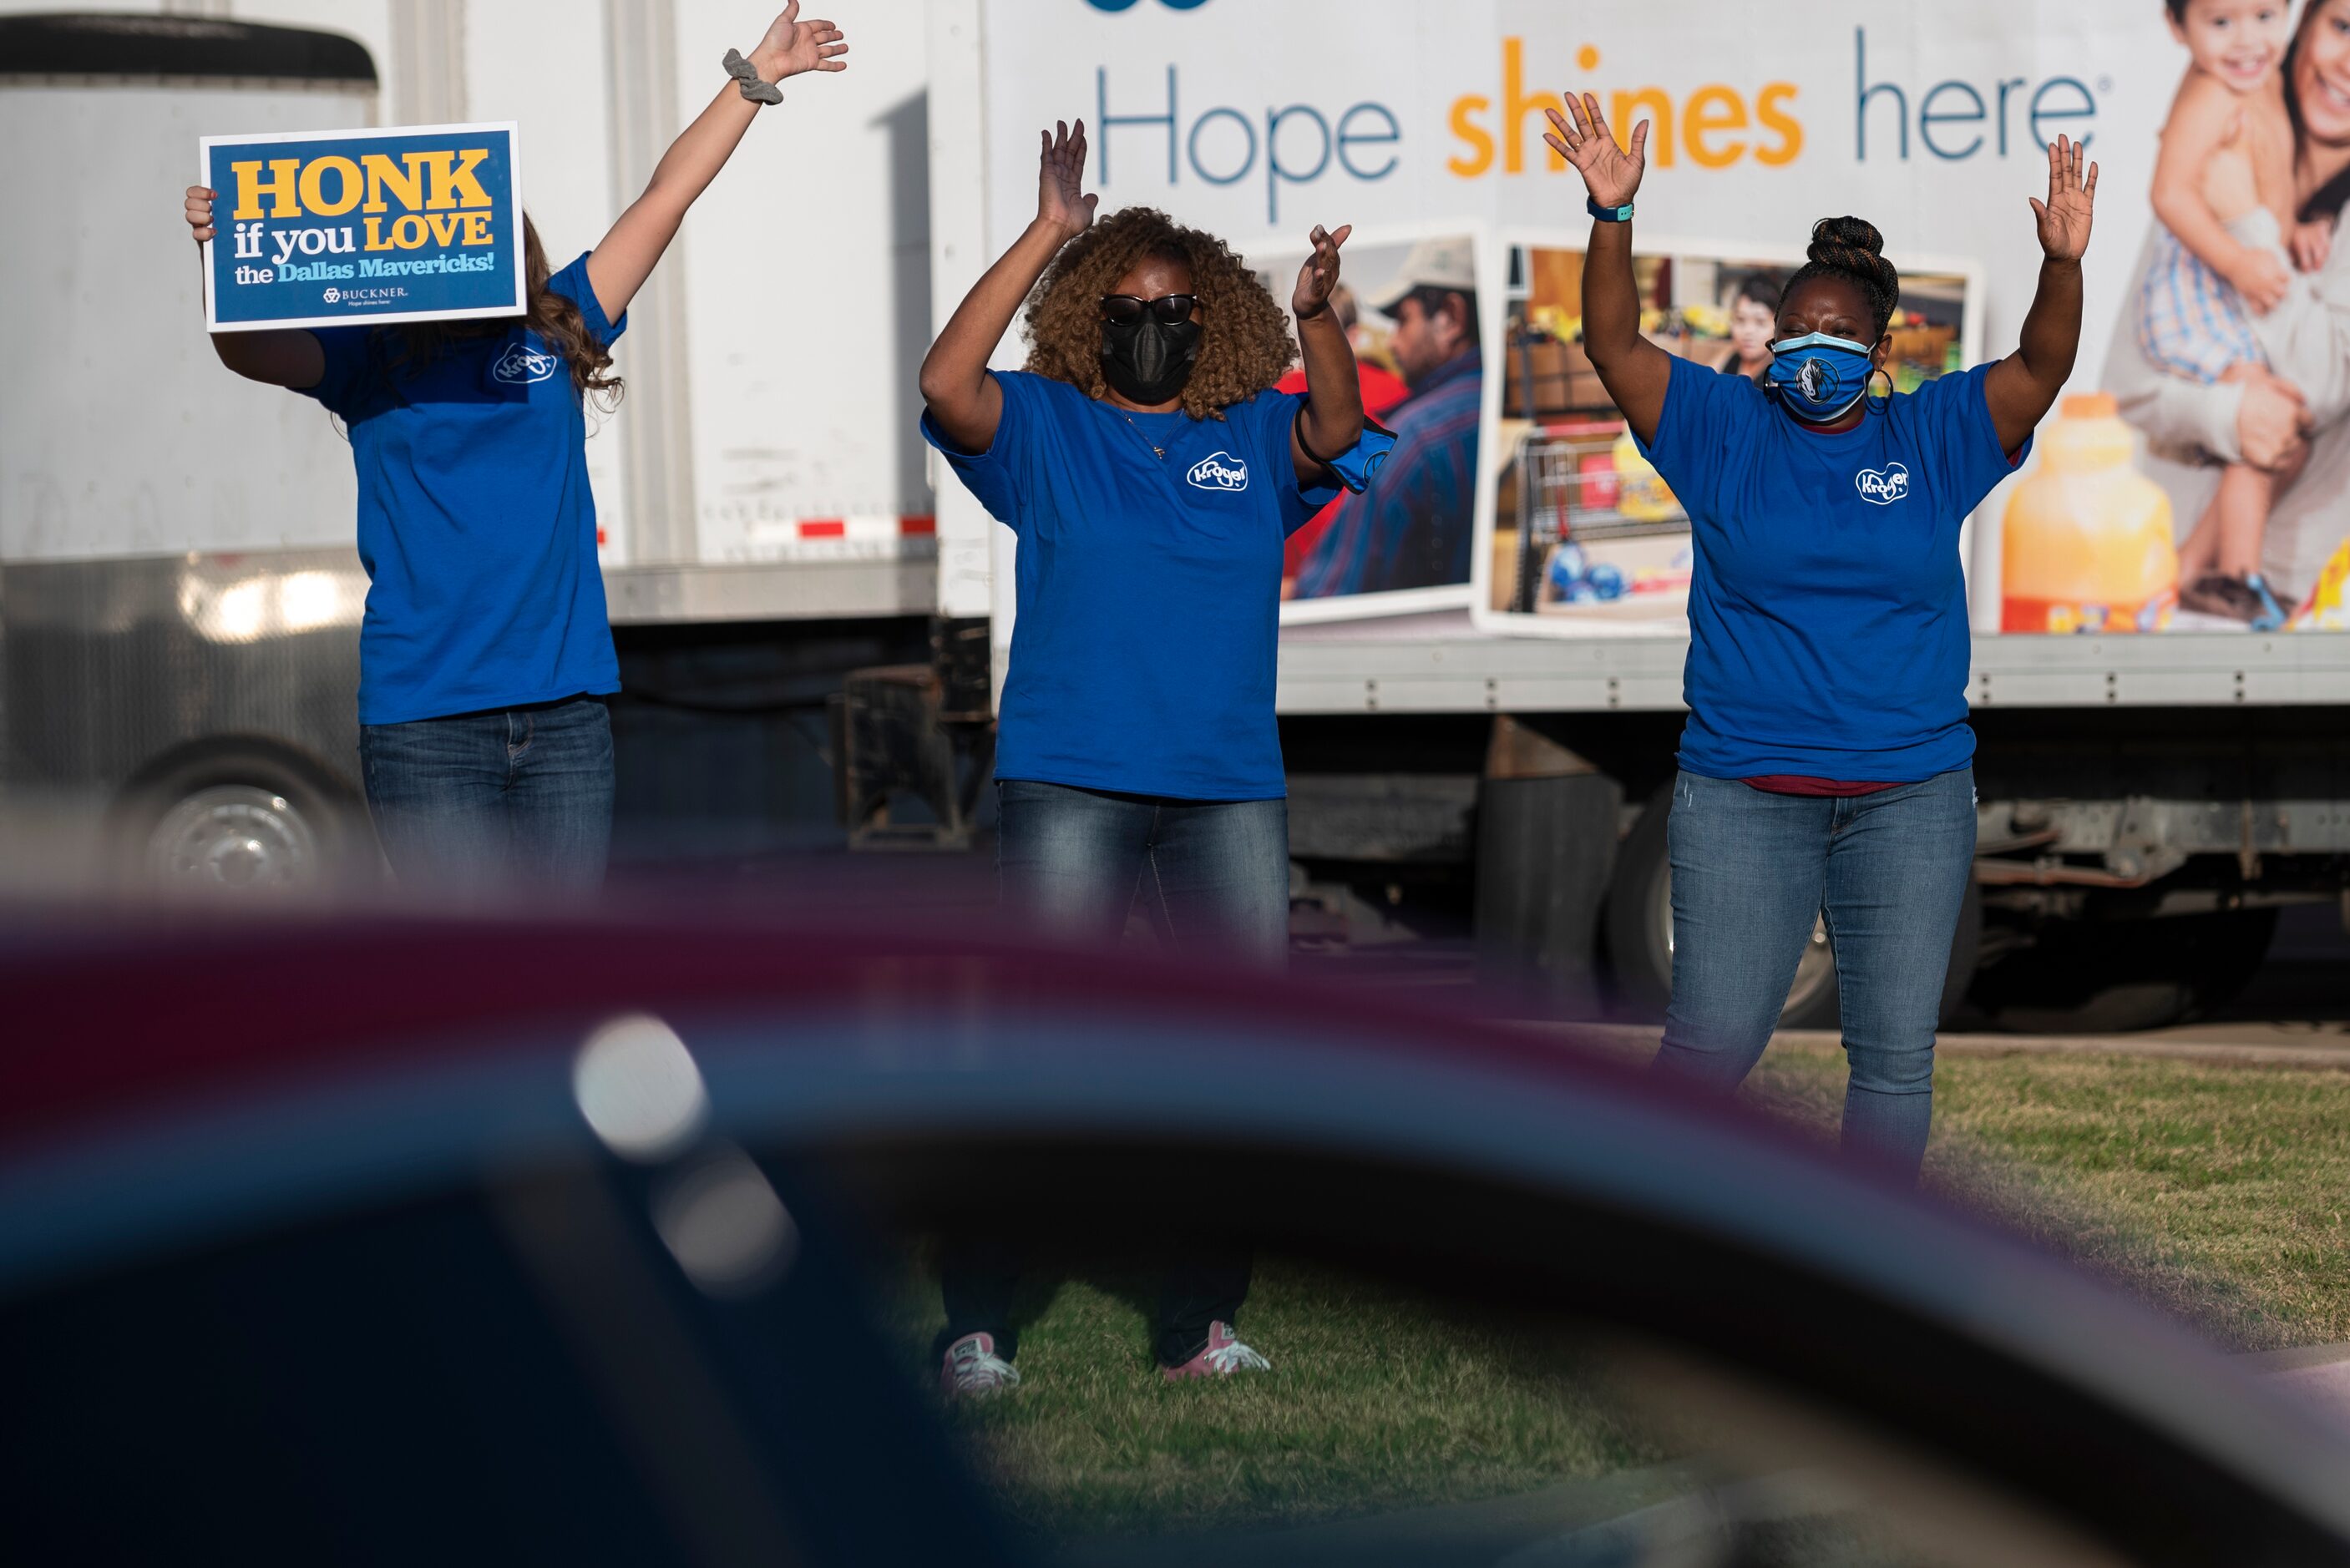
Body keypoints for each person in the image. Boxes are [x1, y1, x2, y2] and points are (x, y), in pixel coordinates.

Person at [1545, 91, 2096, 1181]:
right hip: (1744, 793)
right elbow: (1609, 341)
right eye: (1795, 327)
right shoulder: (1719, 429)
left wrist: (2061, 264)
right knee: (1708, 1050)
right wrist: (1612, 215)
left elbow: (2039, 370)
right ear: (1768, 336)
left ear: (1882, 346)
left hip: (1908, 796)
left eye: (1837, 332)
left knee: (1891, 1062)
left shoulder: (1932, 432)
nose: (1812, 347)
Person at [181, 8, 849, 894]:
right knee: (468, 987)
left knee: (558, 980)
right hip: (427, 725)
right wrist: (221, 255)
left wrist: (756, 79)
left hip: (564, 717)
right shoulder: (368, 357)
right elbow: (245, 349)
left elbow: (666, 196)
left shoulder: (563, 327)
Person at [916, 119, 1371, 1393]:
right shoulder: (1045, 428)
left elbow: (1337, 427)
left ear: (1211, 315)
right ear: (1088, 317)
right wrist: (1050, 235)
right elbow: (945, 380)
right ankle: (976, 1327)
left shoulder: (1250, 435)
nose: (1152, 325)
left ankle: (1195, 1327)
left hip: (1225, 791)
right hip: (1071, 778)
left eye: (1174, 307)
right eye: (1126, 307)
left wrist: (1317, 314)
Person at [2109, 0, 2350, 615]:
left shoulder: (2236, 166)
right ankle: (2217, 576)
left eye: (2260, 16)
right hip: (2166, 612)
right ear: (2309, 22)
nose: (2349, 63)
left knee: (2279, 424)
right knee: (2267, 421)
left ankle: (2208, 572)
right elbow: (2128, 387)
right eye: (2343, 27)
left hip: (2310, 600)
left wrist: (2259, 226)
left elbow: (2321, 385)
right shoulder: (2231, 118)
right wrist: (2230, 412)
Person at [1293, 236, 1483, 598]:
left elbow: (1334, 595)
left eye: (1403, 320)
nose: (1393, 342)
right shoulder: (1486, 403)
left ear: (1452, 318)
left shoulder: (1415, 437)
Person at [1276, 284, 1411, 594]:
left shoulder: (1277, 398)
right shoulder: (1396, 392)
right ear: (1355, 335)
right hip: (1367, 566)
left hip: (1300, 577)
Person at [1725, 272, 1781, 382]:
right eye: (1740, 319)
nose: (1748, 331)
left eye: (1760, 322)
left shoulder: (1778, 380)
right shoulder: (1729, 360)